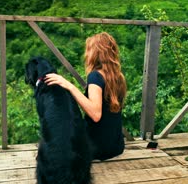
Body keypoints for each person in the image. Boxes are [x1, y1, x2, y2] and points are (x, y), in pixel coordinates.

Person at [45, 32, 127, 161]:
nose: (86, 54)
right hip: (116, 146)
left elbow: (95, 114)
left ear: (96, 53)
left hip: (96, 147)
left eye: (88, 50)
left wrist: (69, 85)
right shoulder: (118, 76)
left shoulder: (95, 76)